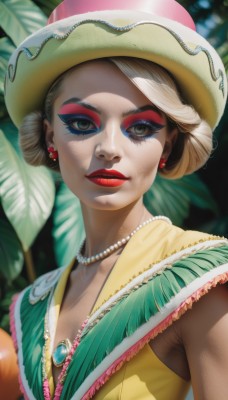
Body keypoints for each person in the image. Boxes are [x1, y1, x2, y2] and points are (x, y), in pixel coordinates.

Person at [4, 0, 228, 399]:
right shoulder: (31, 307)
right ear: (50, 134)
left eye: (140, 127)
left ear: (167, 144)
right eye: (80, 123)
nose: (109, 148)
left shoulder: (201, 280)